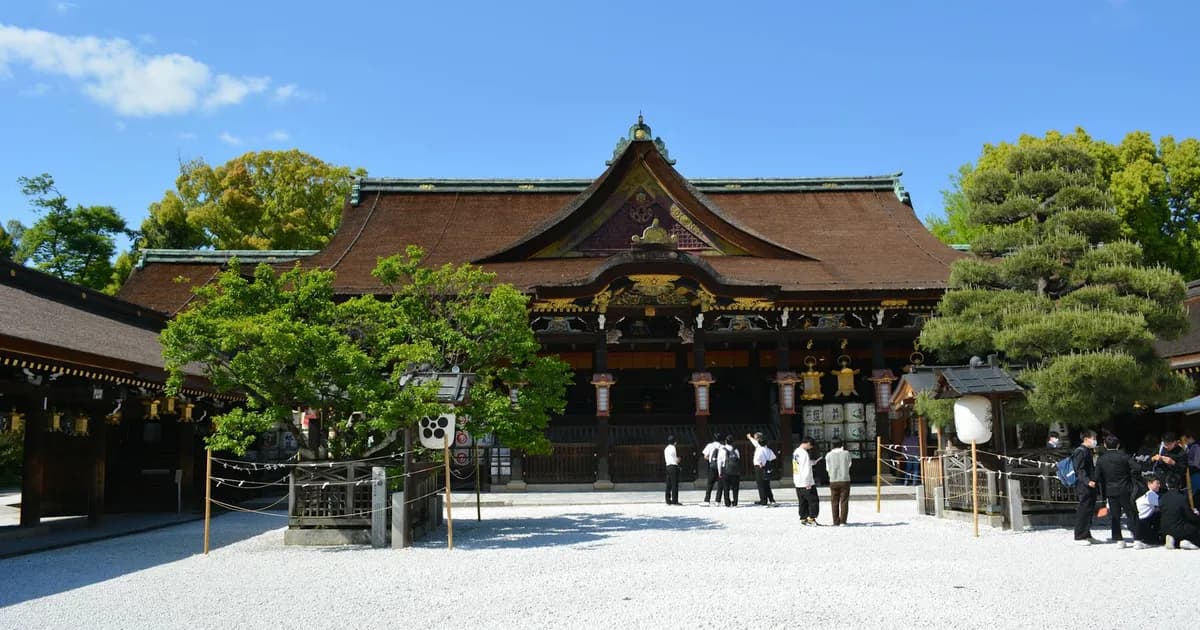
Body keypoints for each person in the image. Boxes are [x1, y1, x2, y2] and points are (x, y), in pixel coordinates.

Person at [1094, 435, 1140, 548]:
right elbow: (1137, 468)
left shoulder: (1101, 459)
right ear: (1118, 445)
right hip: (1126, 488)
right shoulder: (1124, 456)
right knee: (1131, 514)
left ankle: (1119, 539)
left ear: (1105, 445)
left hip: (1110, 490)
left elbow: (1097, 476)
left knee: (1115, 515)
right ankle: (1137, 538)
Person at [1072, 430, 1101, 545]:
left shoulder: (1088, 450)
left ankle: (1087, 534)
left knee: (1089, 510)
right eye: (1093, 438)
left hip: (1091, 484)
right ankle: (1079, 536)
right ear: (1086, 439)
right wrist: (1087, 481)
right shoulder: (1080, 451)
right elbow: (1079, 469)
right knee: (1083, 510)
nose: (1095, 440)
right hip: (1084, 485)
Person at [792, 437, 820, 524]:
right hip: (806, 482)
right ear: (807, 443)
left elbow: (801, 465)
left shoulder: (796, 452)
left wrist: (811, 462)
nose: (811, 447)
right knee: (813, 500)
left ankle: (803, 517)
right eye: (811, 445)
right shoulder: (804, 453)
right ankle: (811, 518)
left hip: (798, 480)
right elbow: (805, 469)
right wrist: (807, 482)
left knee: (802, 501)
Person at [825, 439, 852, 526]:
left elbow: (827, 468)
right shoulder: (846, 453)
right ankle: (843, 521)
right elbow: (849, 464)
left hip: (833, 480)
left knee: (834, 501)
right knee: (844, 501)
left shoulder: (828, 455)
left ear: (832, 445)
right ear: (842, 445)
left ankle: (835, 521)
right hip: (845, 479)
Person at [747, 432, 778, 506]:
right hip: (767, 467)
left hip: (759, 467)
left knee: (760, 484)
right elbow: (774, 457)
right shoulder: (768, 449)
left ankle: (763, 500)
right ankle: (771, 499)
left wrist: (761, 463)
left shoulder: (759, 449)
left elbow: (757, 459)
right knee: (767, 484)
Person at [1133, 476, 1162, 549]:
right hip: (1144, 523)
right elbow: (1162, 507)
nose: (1159, 485)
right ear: (1149, 484)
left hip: (1139, 521)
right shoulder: (1152, 495)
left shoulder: (1145, 494)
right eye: (1157, 483)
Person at [717, 434, 741, 507]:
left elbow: (719, 462)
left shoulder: (722, 450)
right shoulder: (736, 450)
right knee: (735, 487)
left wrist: (719, 472)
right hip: (735, 471)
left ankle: (727, 502)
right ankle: (735, 502)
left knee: (726, 487)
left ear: (725, 441)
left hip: (725, 470)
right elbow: (738, 459)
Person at [701, 434, 724, 506]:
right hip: (720, 467)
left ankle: (707, 500)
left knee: (710, 483)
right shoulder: (722, 446)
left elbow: (705, 456)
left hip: (712, 466)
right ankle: (718, 501)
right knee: (720, 484)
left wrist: (711, 460)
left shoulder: (710, 445)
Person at [663, 435, 681, 506]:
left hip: (668, 466)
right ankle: (674, 500)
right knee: (674, 484)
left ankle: (668, 499)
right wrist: (678, 460)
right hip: (673, 466)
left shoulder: (666, 448)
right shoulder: (673, 447)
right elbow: (675, 458)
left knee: (668, 484)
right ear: (674, 442)